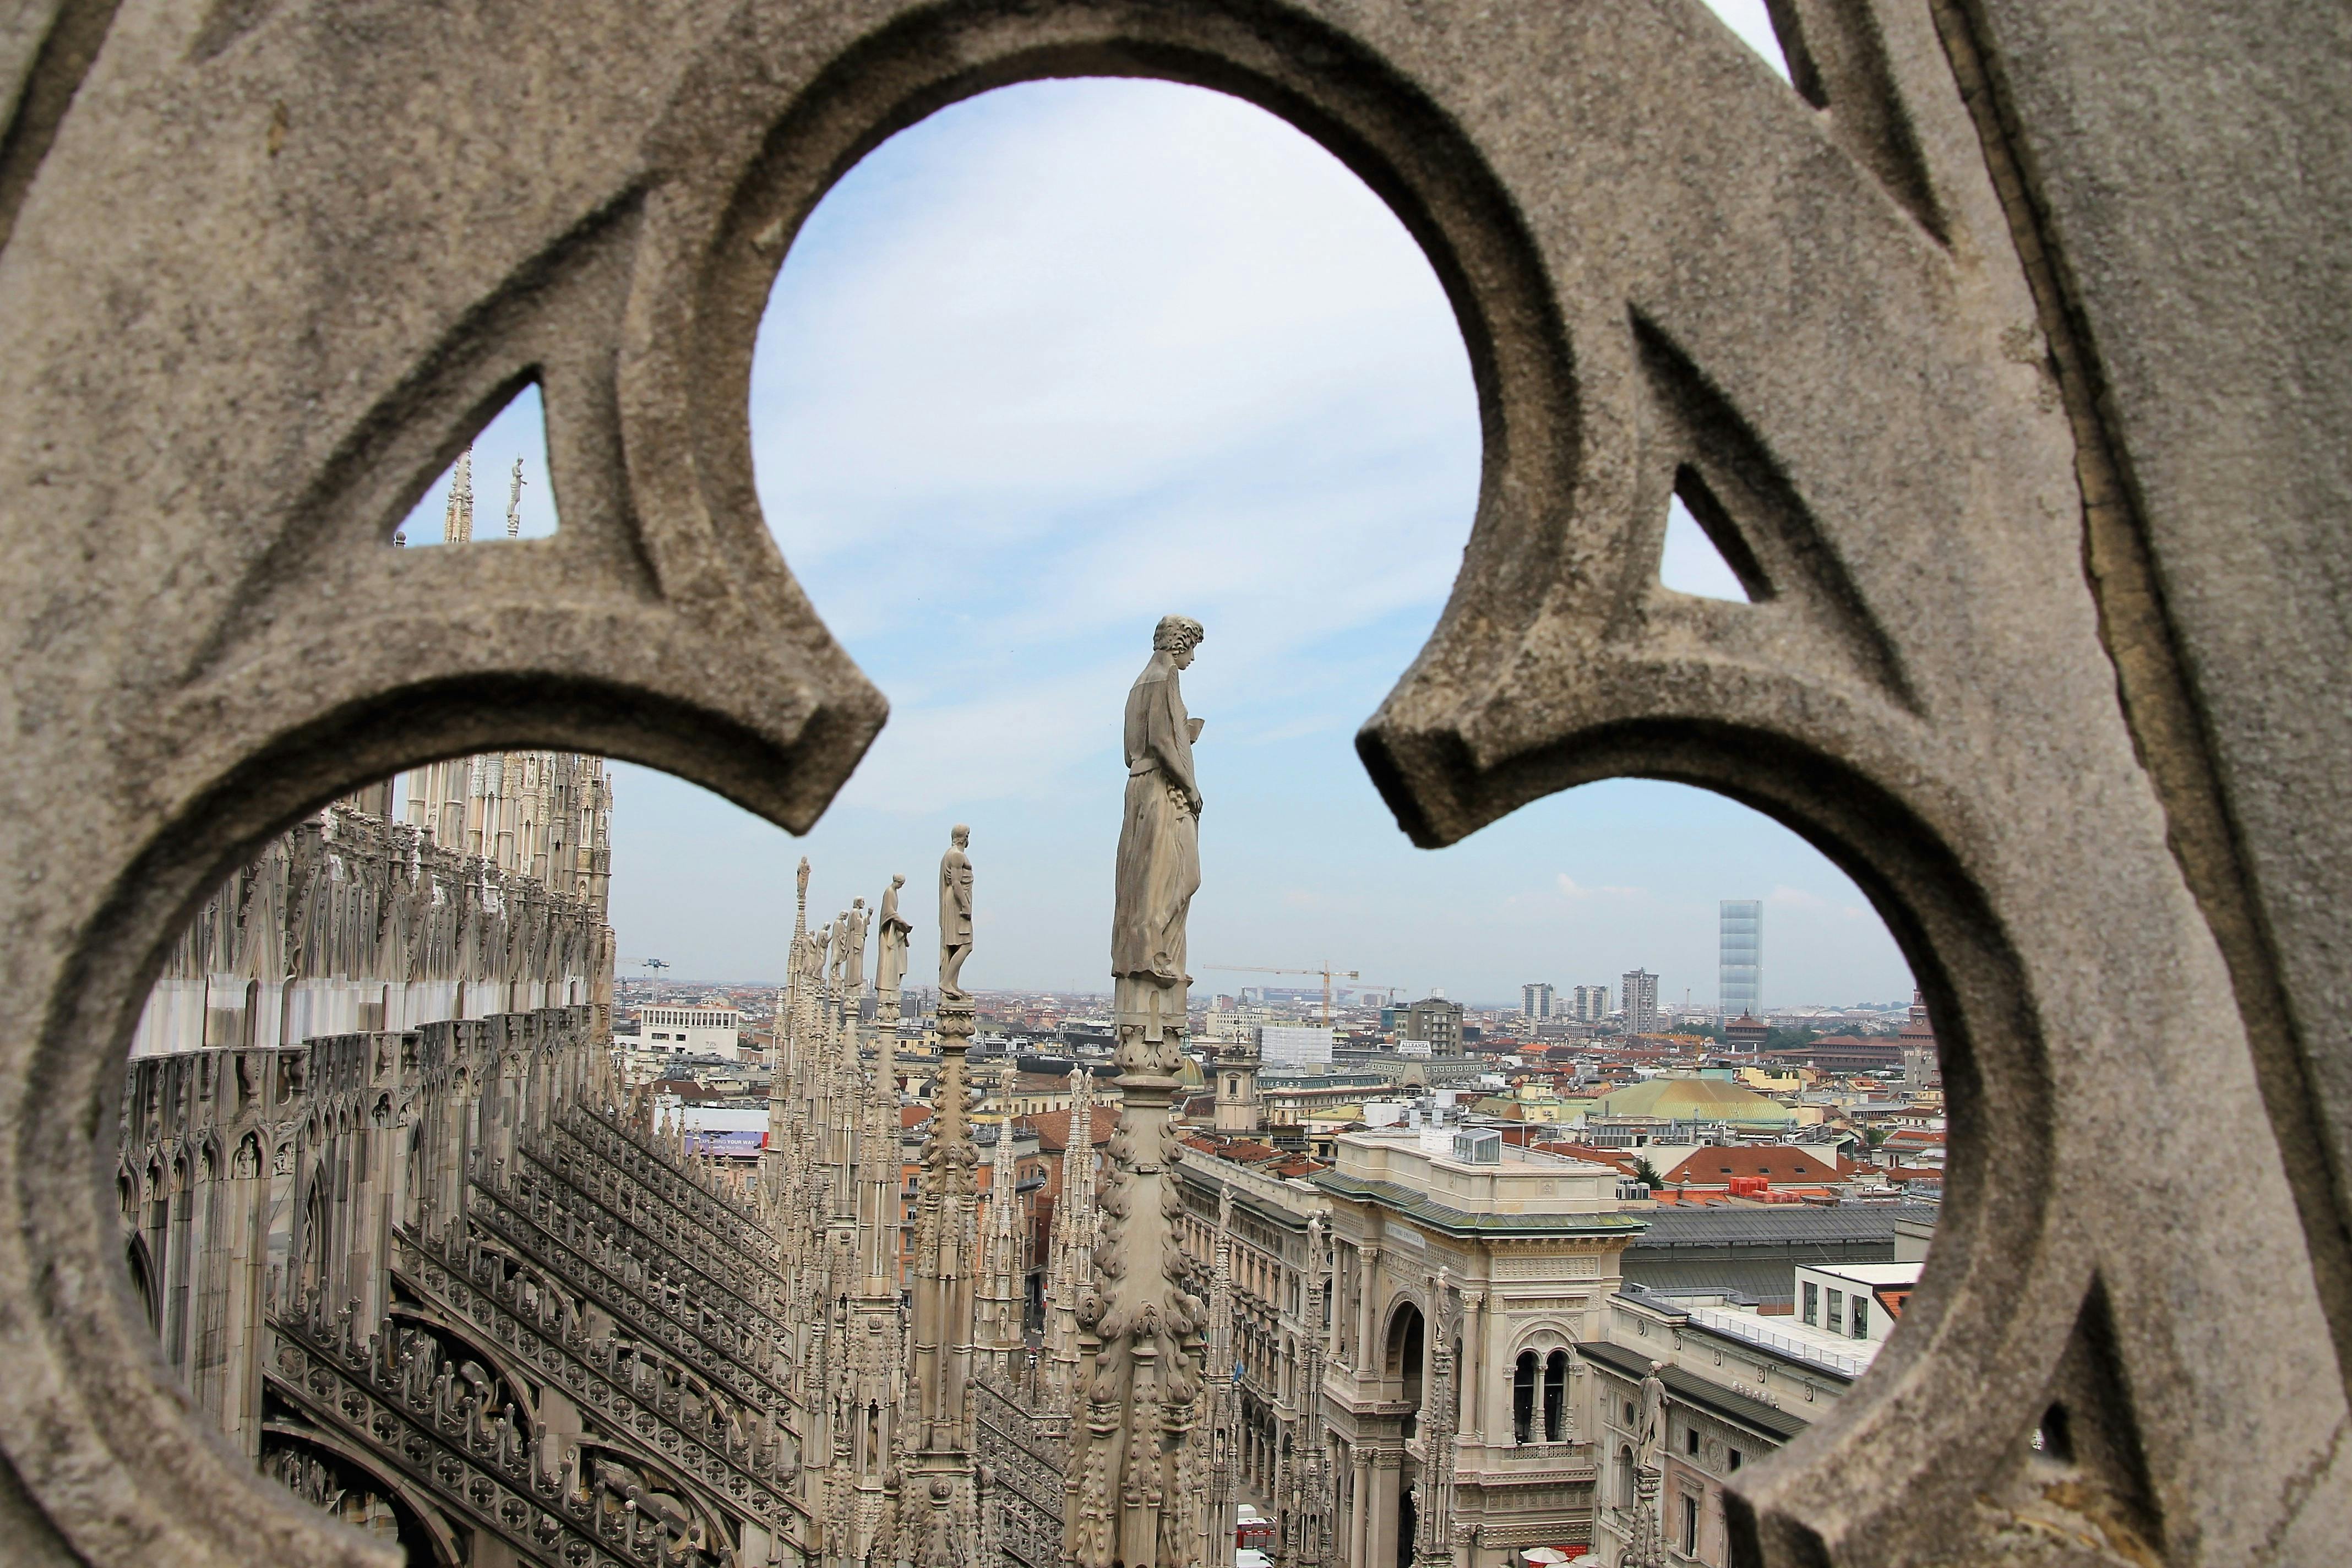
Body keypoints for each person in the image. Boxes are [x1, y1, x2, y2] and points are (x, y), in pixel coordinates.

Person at [1112, 615, 1205, 1036]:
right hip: (1162, 789)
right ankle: (1154, 952)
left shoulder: (1138, 682)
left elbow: (1137, 745)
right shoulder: (1165, 676)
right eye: (1192, 648)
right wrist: (1191, 784)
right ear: (1179, 644)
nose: (1192, 658)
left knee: (1146, 879)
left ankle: (1147, 949)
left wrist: (1183, 734)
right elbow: (1164, 744)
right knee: (1177, 878)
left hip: (1140, 785)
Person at [938, 825, 973, 999]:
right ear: (964, 837)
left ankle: (952, 983)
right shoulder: (957, 855)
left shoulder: (949, 854)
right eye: (968, 836)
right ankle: (946, 982)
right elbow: (956, 883)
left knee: (955, 946)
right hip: (957, 902)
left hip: (953, 900)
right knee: (967, 945)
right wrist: (966, 905)